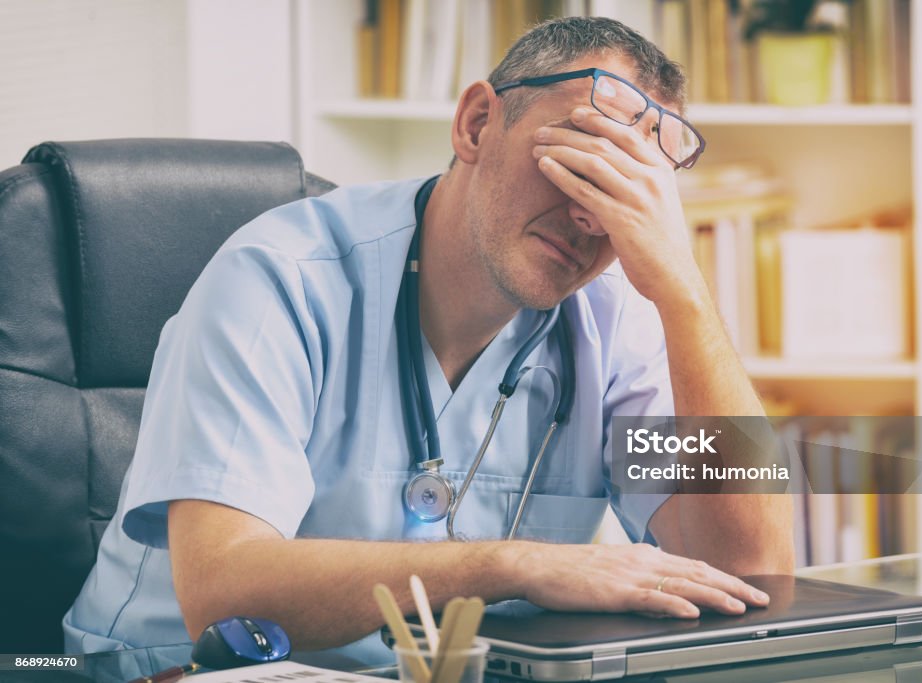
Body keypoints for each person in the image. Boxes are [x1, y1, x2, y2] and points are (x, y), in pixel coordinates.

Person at [63, 16, 793, 663]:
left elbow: (753, 566)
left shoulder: (616, 318)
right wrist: (518, 564)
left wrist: (684, 293)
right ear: (477, 123)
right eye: (583, 161)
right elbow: (223, 595)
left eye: (631, 193)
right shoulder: (279, 280)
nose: (592, 218)